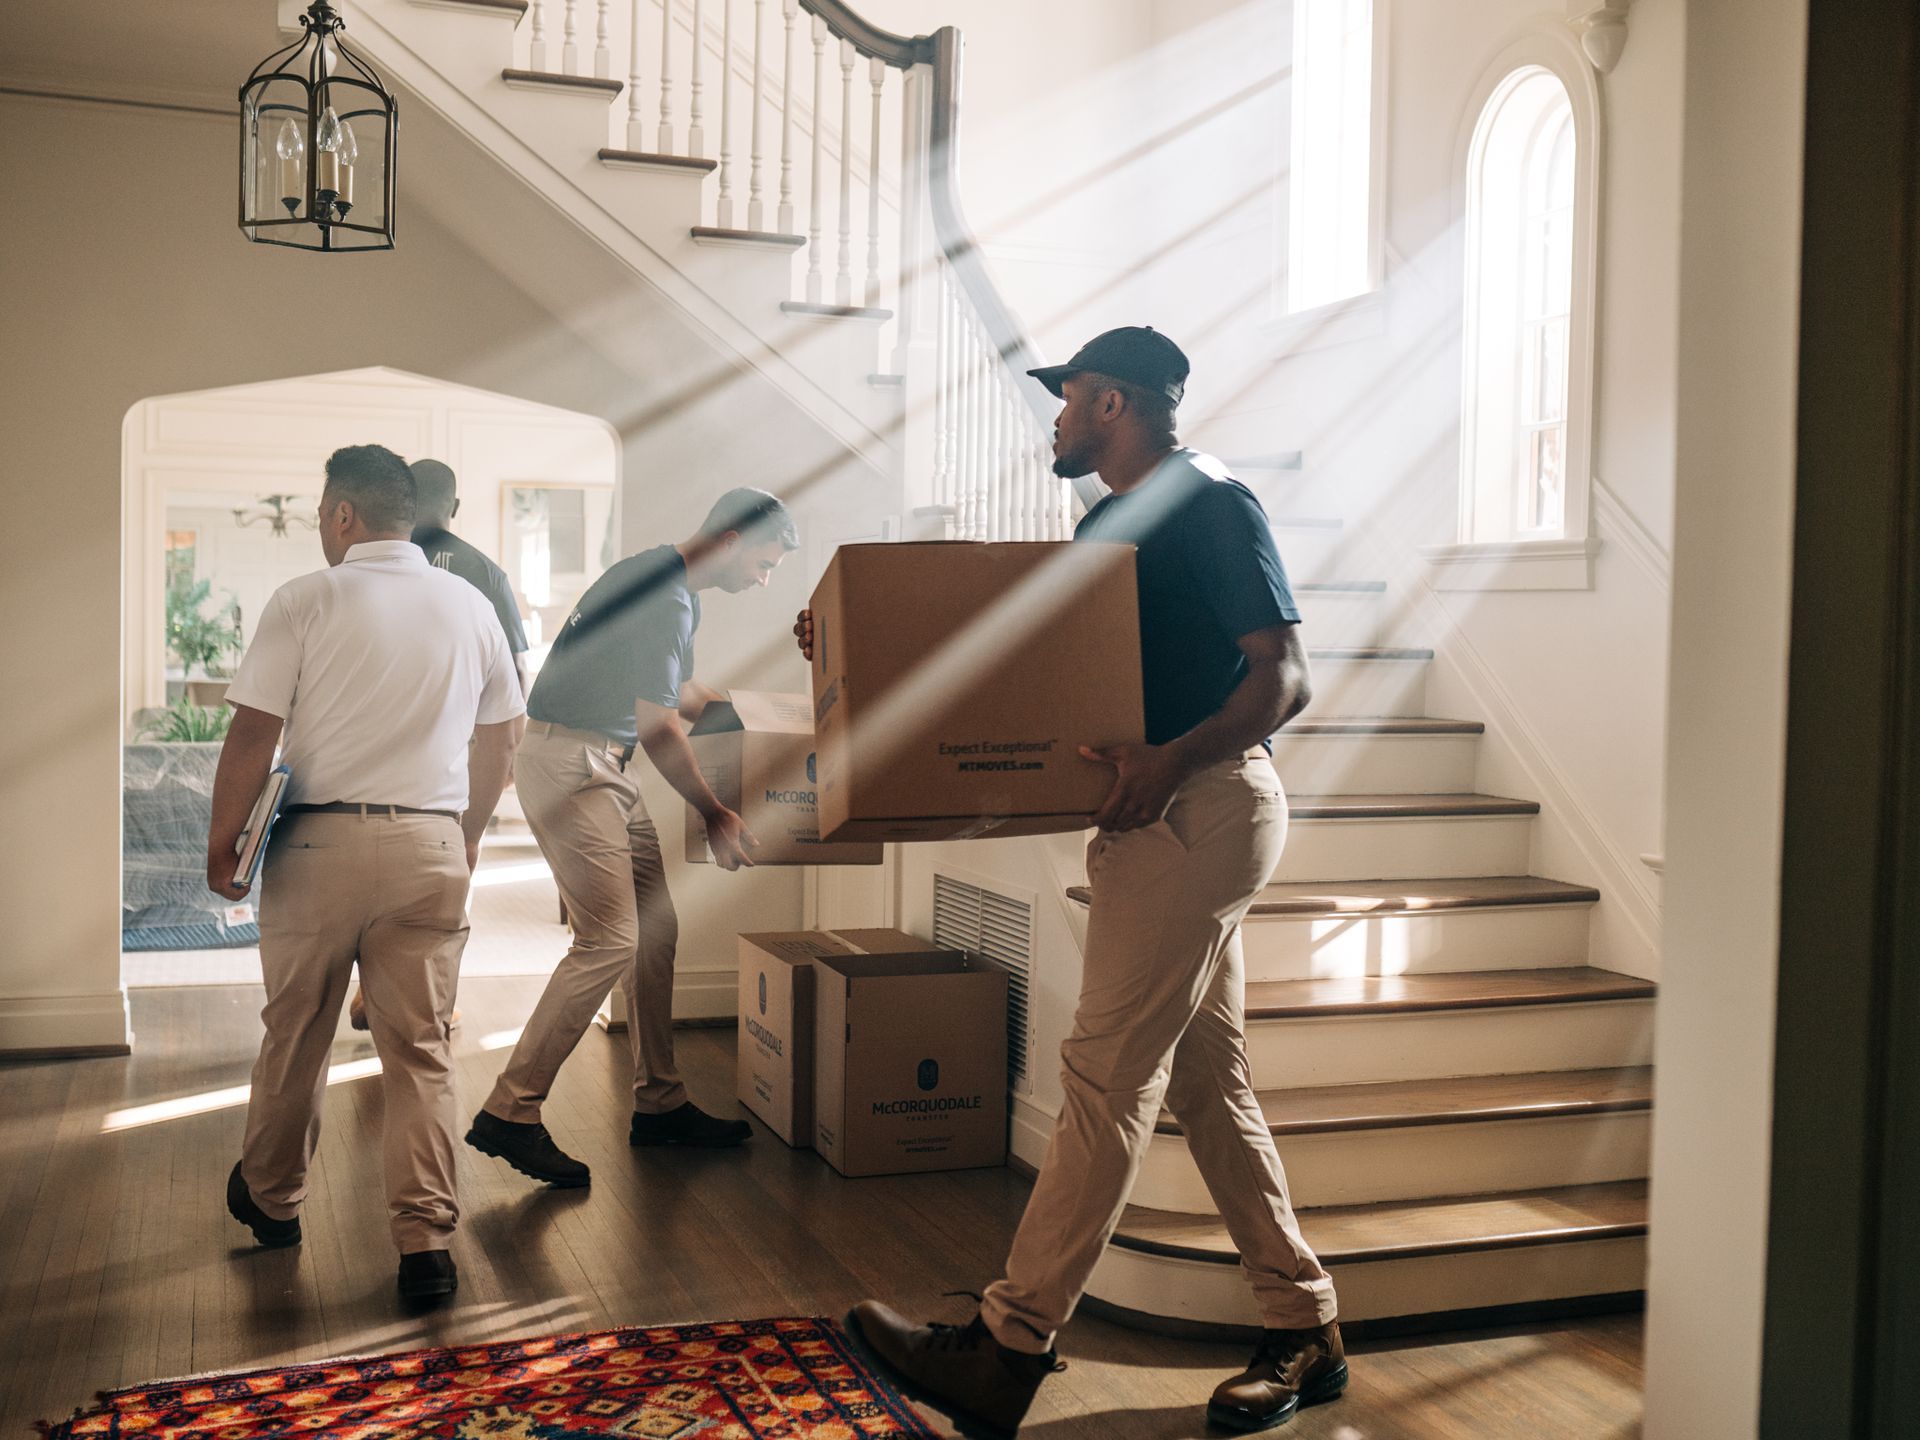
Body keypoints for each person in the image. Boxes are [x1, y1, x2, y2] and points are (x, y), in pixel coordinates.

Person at [798, 328, 1344, 1434]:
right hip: (1161, 816)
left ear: (1114, 405)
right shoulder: (1110, 524)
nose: (1052, 417)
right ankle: (1306, 1327)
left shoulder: (1207, 500)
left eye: (1068, 398)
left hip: (1201, 808)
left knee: (1102, 1078)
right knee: (1206, 1085)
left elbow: (1285, 674)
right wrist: (848, 645)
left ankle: (1007, 1346)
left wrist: (1170, 759)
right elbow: (1022, 665)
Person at [208, 443, 525, 1307]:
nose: (320, 526)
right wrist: (463, 836)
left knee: (298, 1033)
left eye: (321, 512)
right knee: (421, 1051)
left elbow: (252, 735)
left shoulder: (305, 599)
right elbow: (504, 736)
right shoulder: (470, 605)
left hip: (315, 851)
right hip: (428, 848)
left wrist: (224, 842)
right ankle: (425, 1245)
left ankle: (274, 1203)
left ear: (344, 514)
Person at [466, 487, 799, 1188]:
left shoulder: (666, 581)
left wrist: (759, 715)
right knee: (611, 939)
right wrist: (715, 812)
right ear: (733, 538)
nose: (763, 580)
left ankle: (660, 1103)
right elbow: (658, 726)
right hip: (573, 766)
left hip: (601, 765)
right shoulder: (668, 596)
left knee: (655, 929)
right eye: (765, 563)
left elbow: (671, 693)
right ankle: (511, 1110)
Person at [346, 457, 529, 1035]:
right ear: (453, 508)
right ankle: (436, 1000)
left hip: (380, 748)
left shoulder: (368, 564)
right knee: (449, 883)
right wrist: (504, 765)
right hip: (463, 754)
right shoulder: (487, 573)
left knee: (370, 876)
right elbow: (517, 679)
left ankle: (366, 993)